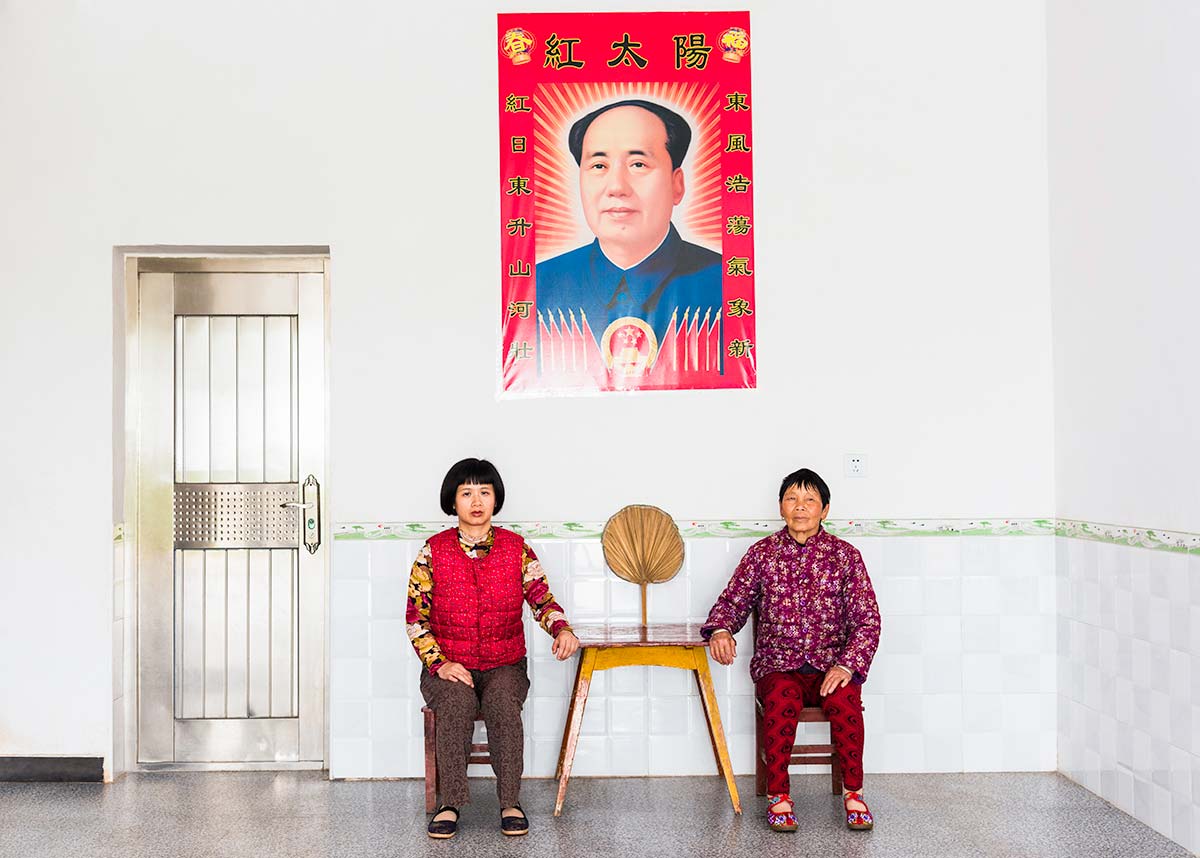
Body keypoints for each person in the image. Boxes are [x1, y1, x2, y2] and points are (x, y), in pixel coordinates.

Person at [407, 457, 579, 839]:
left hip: (506, 665)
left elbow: (542, 600)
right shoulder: (432, 552)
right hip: (448, 666)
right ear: (453, 502)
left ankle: (510, 801)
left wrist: (561, 630)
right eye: (466, 492)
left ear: (496, 499)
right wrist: (440, 663)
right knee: (455, 702)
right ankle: (449, 803)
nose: (476, 500)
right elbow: (415, 620)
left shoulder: (517, 549)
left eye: (484, 492)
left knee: (502, 702)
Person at [701, 468, 881, 832]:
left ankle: (854, 794)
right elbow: (731, 603)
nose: (800, 507)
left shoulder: (846, 557)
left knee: (846, 703)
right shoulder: (762, 554)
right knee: (781, 701)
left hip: (832, 667)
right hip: (778, 666)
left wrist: (846, 666)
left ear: (824, 510)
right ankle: (779, 797)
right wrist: (721, 630)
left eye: (809, 500)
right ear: (781, 507)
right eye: (792, 499)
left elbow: (868, 620)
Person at [535, 99, 722, 378]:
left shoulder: (728, 284)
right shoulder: (537, 287)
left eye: (638, 164)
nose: (617, 187)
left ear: (676, 184)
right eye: (599, 166)